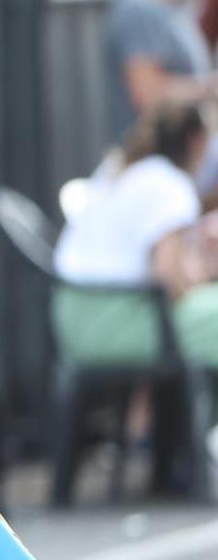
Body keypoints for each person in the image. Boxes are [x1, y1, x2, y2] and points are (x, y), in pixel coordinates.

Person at [53, 96, 218, 368]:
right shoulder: (171, 185)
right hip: (112, 320)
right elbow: (168, 278)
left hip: (74, 314)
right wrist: (202, 275)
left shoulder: (121, 169)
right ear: (196, 141)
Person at [105, 0, 218, 140]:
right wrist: (209, 88)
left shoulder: (177, 7)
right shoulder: (140, 9)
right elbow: (147, 94)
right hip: (152, 154)